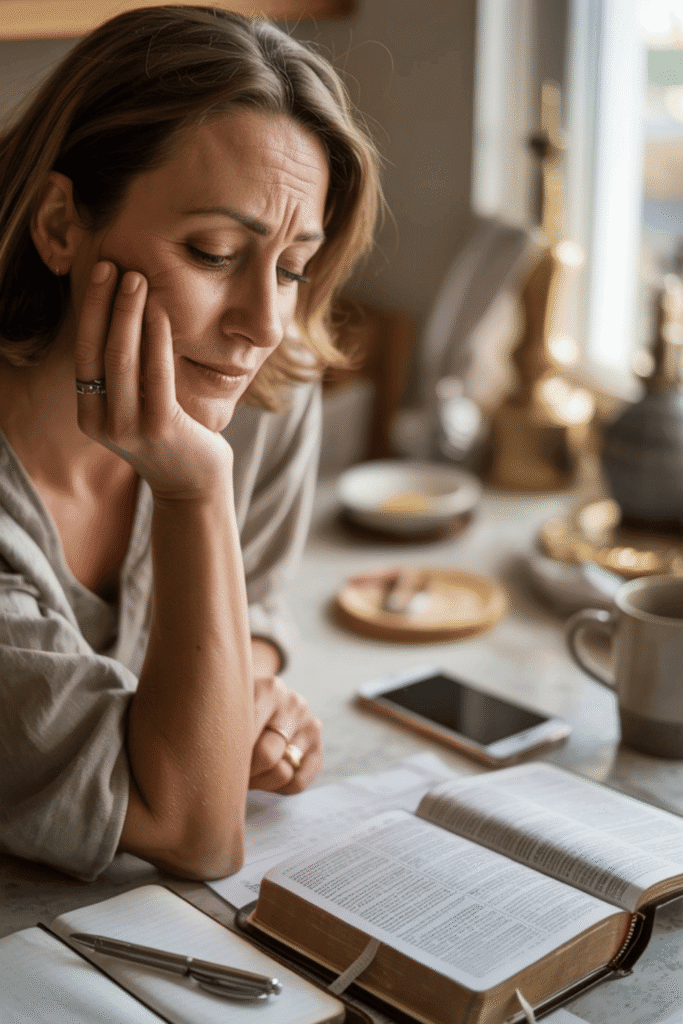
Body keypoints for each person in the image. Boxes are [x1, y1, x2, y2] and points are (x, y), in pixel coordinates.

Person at [0, 5, 380, 881]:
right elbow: (195, 834)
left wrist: (244, 693)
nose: (263, 324)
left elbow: (253, 609)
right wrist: (193, 490)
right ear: (61, 226)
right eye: (213, 252)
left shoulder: (262, 387)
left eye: (291, 268)